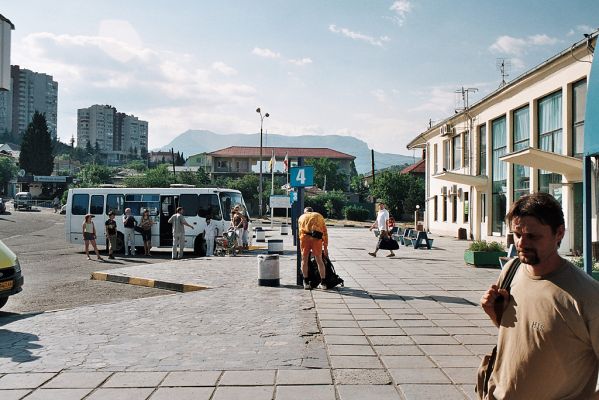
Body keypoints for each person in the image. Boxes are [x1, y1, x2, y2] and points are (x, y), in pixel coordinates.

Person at [479, 192, 599, 399]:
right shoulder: (511, 270)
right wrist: (495, 315)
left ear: (559, 233)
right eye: (517, 235)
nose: (522, 243)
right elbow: (533, 337)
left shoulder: (587, 295)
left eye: (533, 236)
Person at [298, 207, 328, 290]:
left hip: (304, 238)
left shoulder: (301, 217)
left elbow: (300, 231)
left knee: (304, 260)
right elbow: (324, 232)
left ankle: (306, 282)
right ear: (312, 211)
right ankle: (323, 283)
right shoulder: (319, 216)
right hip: (317, 239)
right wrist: (325, 246)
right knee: (319, 260)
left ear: (305, 211)